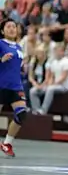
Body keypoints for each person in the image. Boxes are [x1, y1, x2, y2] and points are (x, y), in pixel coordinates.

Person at [0, 19, 28, 157]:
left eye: (14, 27)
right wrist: (1, 60)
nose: (11, 29)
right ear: (2, 31)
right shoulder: (0, 44)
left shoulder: (19, 47)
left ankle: (7, 143)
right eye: (8, 27)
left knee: (21, 114)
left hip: (16, 86)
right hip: (1, 85)